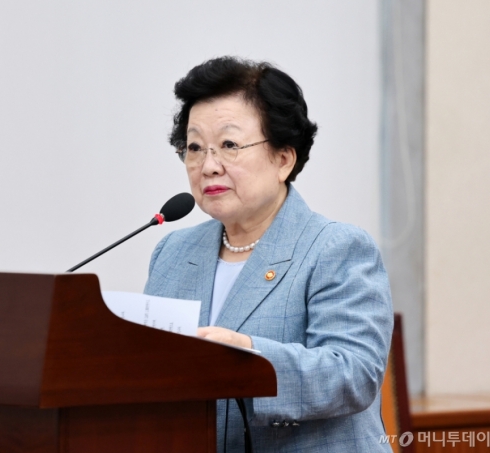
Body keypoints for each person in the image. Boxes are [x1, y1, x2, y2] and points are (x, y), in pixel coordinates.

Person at [144, 57, 394, 453]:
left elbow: (353, 374)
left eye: (229, 145)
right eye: (194, 148)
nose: (208, 166)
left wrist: (249, 357)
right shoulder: (172, 253)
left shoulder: (337, 248)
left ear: (283, 159)